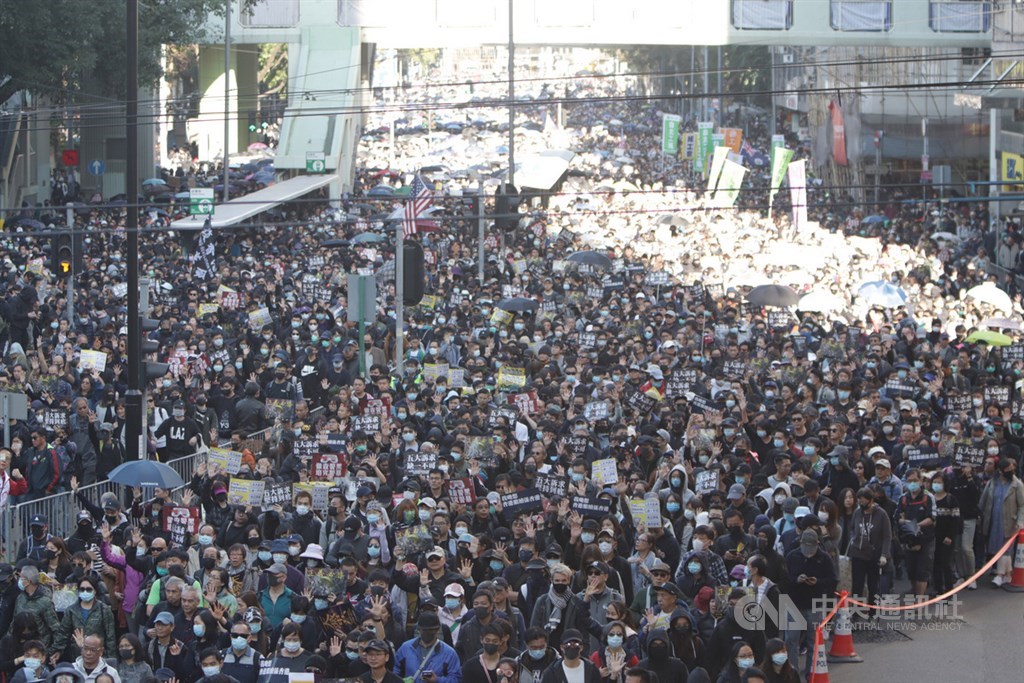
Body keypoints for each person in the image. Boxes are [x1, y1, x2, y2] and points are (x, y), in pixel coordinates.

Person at [980, 458, 1024, 586]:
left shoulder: (1017, 485)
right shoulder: (992, 483)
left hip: (1009, 522)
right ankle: (1008, 573)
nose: (1011, 472)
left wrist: (1020, 522)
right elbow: (983, 501)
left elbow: (1022, 505)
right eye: (1008, 469)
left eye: (1013, 469)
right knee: (996, 547)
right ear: (1001, 470)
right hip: (993, 521)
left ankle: (999, 575)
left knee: (1005, 549)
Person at [51, 576, 117, 662]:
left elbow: (110, 638)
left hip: (99, 656)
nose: (85, 592)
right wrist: (57, 651)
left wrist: (111, 660)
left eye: (89, 589)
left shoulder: (104, 610)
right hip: (77, 656)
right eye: (82, 589)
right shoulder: (71, 610)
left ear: (95, 591)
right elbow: (63, 633)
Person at [393, 611, 461, 683]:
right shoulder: (405, 648)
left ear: (437, 630)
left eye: (431, 630)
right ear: (418, 629)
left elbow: (456, 679)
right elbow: (395, 672)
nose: (427, 633)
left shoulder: (449, 653)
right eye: (424, 630)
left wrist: (437, 680)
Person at [14, 566, 60, 648]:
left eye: (21, 578)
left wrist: (54, 650)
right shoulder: (20, 598)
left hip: (38, 648)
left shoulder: (45, 602)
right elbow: (14, 621)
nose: (19, 580)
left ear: (28, 581)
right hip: (19, 646)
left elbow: (55, 628)